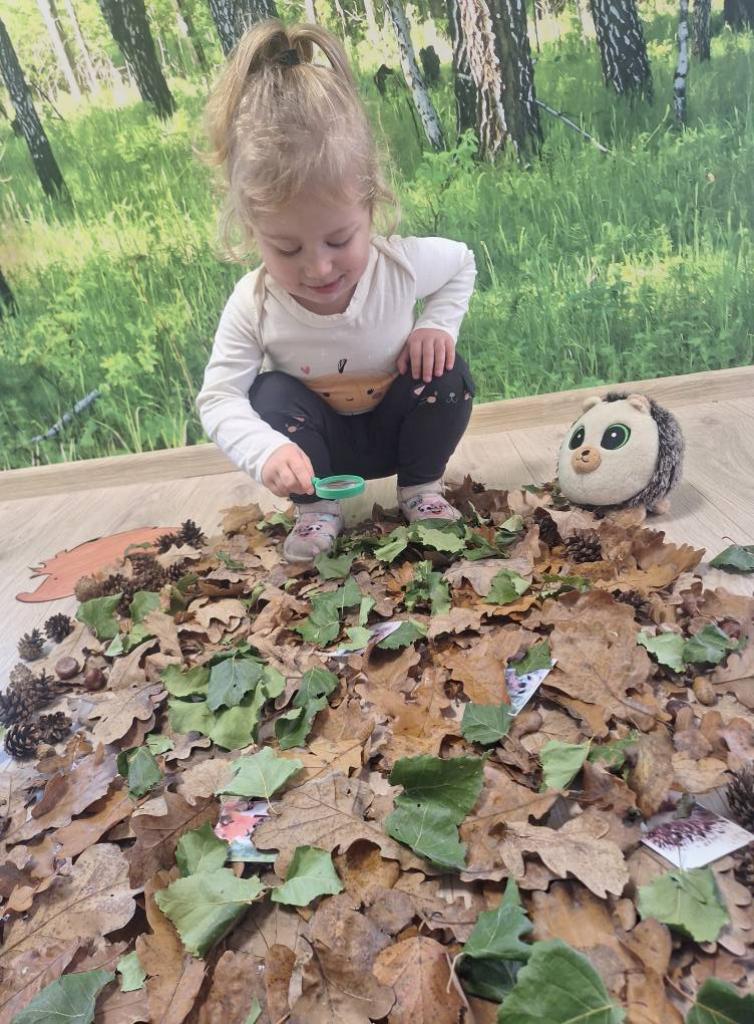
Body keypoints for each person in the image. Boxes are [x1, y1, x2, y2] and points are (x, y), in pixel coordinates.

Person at [197, 19, 476, 562]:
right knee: (267, 394)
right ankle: (318, 509)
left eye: (339, 239)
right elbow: (220, 397)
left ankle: (422, 488)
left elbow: (462, 262)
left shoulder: (398, 266)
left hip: (398, 429)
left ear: (371, 207)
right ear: (252, 232)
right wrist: (265, 450)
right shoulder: (254, 303)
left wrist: (436, 325)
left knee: (448, 373)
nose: (319, 267)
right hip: (315, 452)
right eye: (287, 249)